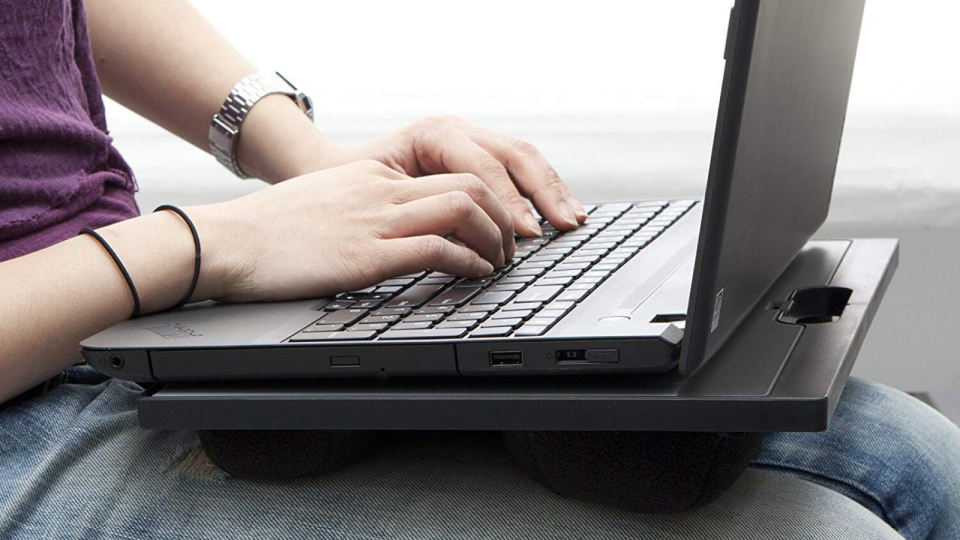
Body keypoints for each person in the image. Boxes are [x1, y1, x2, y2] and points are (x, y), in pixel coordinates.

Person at [0, 1, 957, 539]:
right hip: (30, 404)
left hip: (125, 319)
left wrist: (322, 167)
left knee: (923, 463)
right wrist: (211, 245)